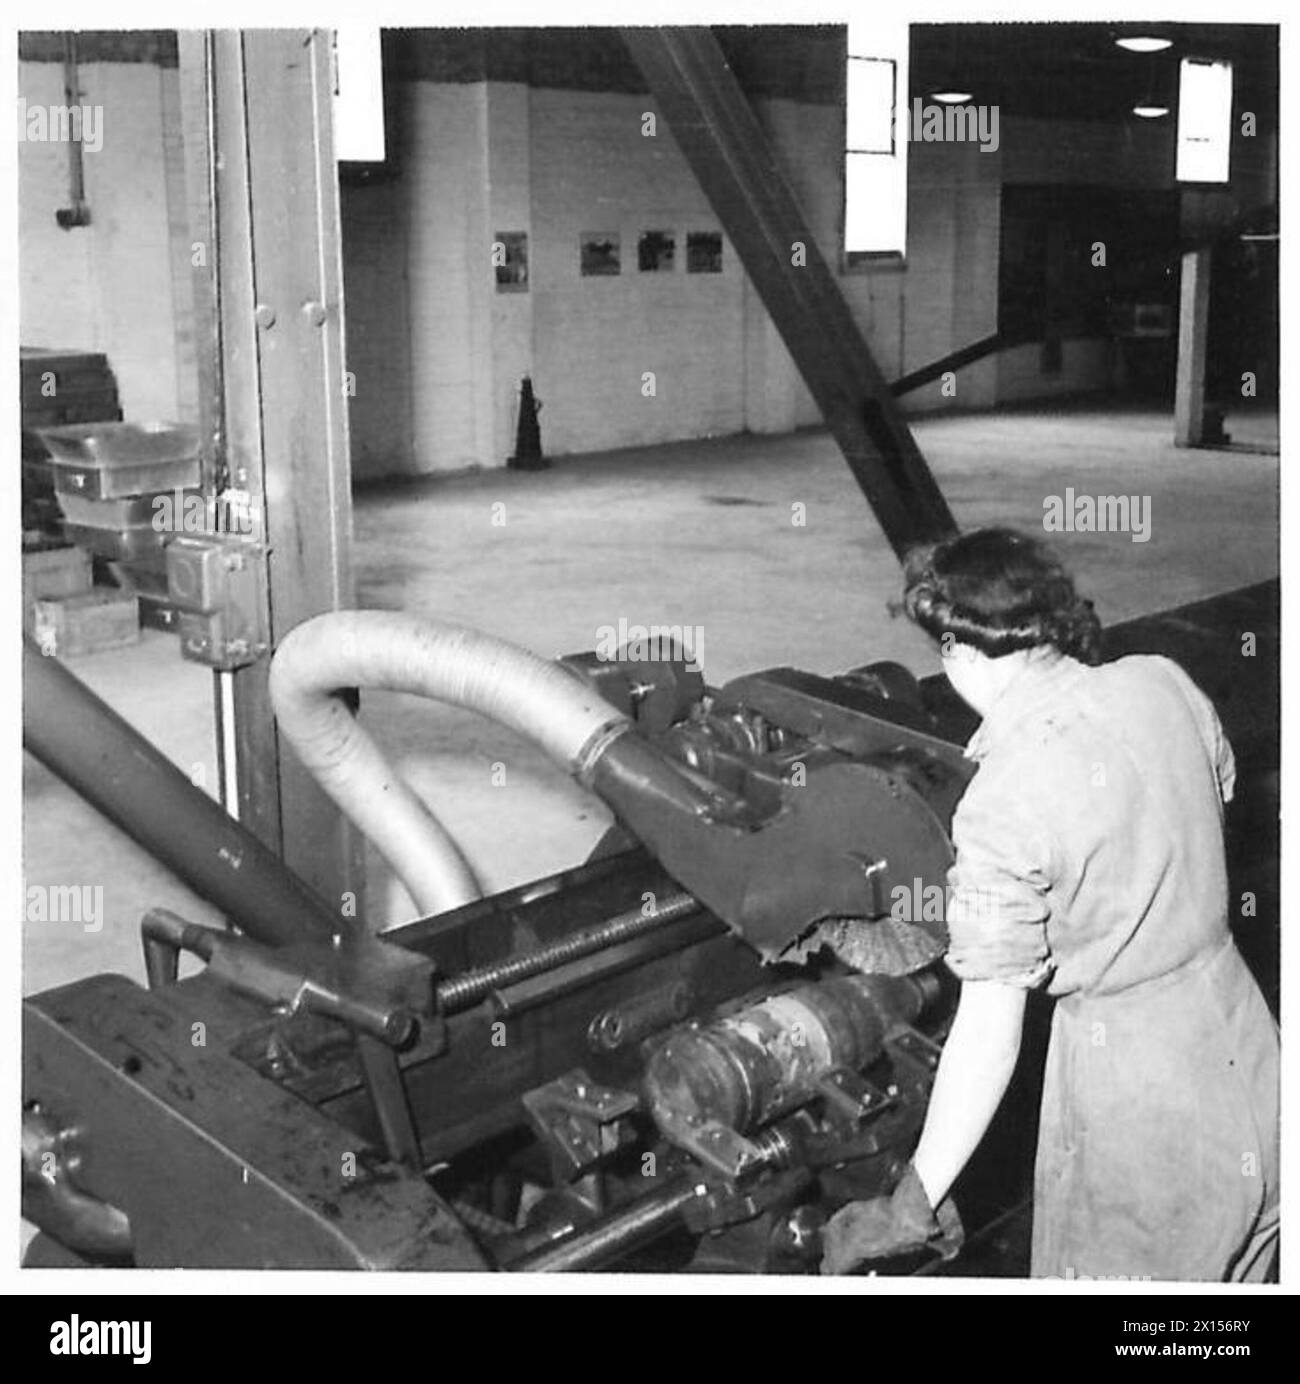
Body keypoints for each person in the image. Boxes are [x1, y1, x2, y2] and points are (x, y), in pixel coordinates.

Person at [821, 527, 1279, 1281]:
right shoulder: (1159, 679)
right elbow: (1214, 800)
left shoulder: (1002, 801)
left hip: (1142, 1115)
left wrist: (914, 1201)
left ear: (959, 654)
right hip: (1252, 1051)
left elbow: (987, 1039)